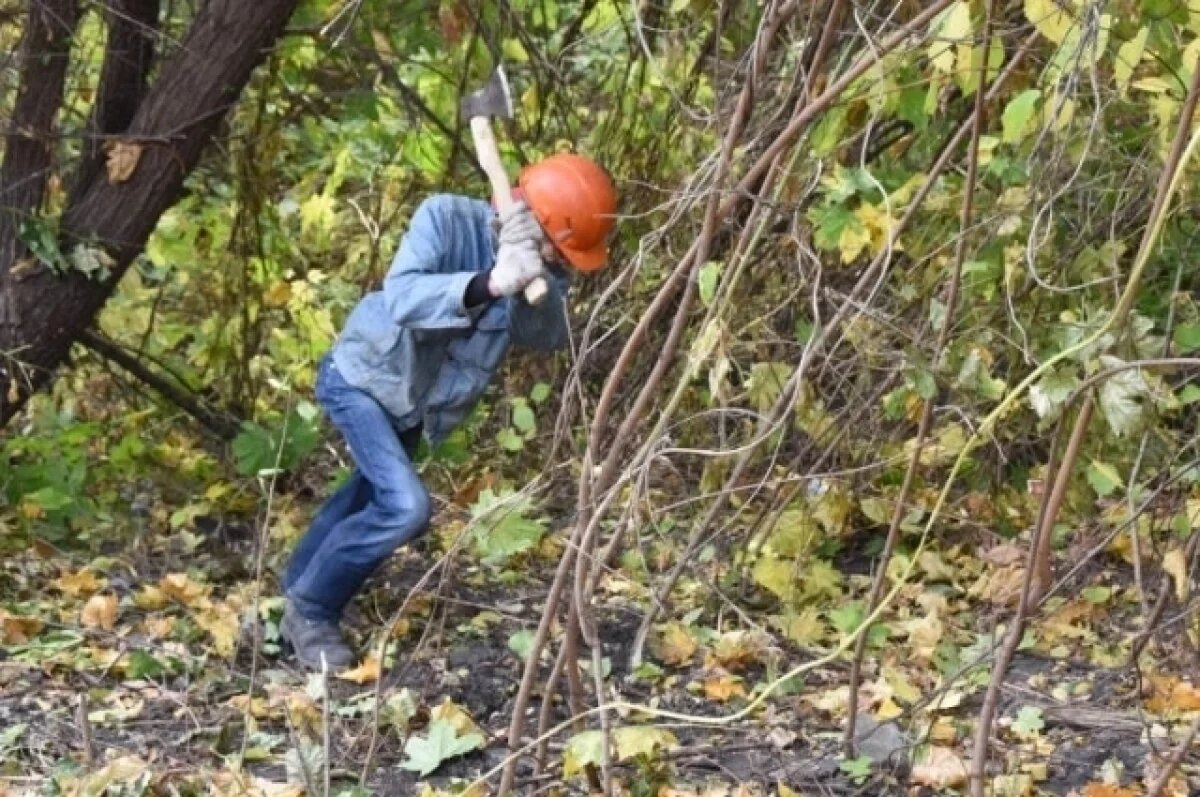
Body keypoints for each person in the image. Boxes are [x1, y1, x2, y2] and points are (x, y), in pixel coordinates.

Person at [280, 153, 618, 669]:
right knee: (406, 507)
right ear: (530, 215)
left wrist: (535, 287)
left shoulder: (543, 265)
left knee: (365, 494)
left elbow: (546, 336)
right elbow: (403, 299)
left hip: (419, 408)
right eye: (560, 251)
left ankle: (295, 589)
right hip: (365, 379)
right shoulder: (443, 217)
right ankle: (311, 609)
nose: (562, 262)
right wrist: (492, 282)